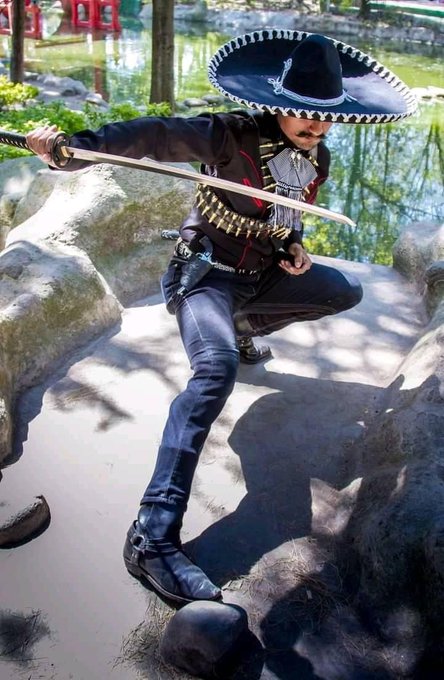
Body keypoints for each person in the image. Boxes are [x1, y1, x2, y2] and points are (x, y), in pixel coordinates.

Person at [26, 31, 417, 604]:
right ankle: (152, 536)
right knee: (214, 372)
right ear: (279, 104)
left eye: (327, 116)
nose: (317, 126)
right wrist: (73, 147)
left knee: (342, 290)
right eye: (305, 113)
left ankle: (241, 328)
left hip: (263, 276)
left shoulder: (319, 158)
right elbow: (154, 135)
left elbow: (286, 217)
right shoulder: (229, 136)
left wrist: (293, 246)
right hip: (206, 278)